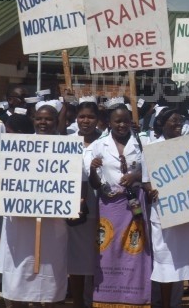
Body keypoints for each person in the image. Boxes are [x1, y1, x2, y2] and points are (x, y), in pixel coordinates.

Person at [0, 104, 70, 307]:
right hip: (19, 225)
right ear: (33, 120)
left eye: (48, 119)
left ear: (57, 121)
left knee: (50, 277)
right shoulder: (19, 144)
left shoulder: (67, 149)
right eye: (39, 119)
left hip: (53, 225)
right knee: (17, 275)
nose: (43, 123)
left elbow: (77, 182)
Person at [88, 104, 151, 308]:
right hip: (109, 206)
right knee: (109, 249)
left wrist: (136, 175)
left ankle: (134, 299)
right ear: (109, 123)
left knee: (136, 250)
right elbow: (95, 183)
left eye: (125, 120)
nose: (122, 124)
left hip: (135, 205)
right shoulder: (99, 145)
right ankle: (108, 297)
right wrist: (92, 169)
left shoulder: (143, 142)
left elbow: (153, 170)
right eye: (117, 121)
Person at [146, 108, 189, 308]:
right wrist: (150, 190)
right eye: (173, 121)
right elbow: (146, 181)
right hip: (164, 215)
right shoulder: (152, 148)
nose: (178, 124)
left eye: (180, 120)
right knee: (165, 265)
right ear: (162, 124)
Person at [69, 100, 103, 308]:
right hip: (74, 212)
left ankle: (94, 301)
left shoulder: (106, 141)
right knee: (75, 261)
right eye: (82, 116)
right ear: (76, 119)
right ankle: (78, 302)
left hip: (102, 209)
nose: (86, 121)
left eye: (90, 117)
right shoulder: (67, 141)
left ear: (97, 120)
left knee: (96, 261)